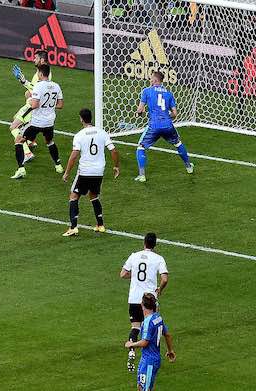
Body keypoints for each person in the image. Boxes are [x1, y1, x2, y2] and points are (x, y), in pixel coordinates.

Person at [61, 108, 120, 236]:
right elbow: (113, 150)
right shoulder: (102, 132)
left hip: (85, 171)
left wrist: (66, 172)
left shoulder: (80, 135)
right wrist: (116, 166)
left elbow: (74, 155)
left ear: (81, 119)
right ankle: (100, 225)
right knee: (94, 195)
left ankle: (73, 227)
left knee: (74, 196)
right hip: (98, 171)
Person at [120, 232, 169, 372]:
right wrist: (160, 289)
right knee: (153, 325)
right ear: (155, 244)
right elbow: (164, 279)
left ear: (144, 242)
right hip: (149, 299)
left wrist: (134, 276)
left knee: (135, 327)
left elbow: (123, 274)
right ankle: (150, 356)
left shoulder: (134, 256)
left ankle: (131, 349)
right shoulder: (158, 258)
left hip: (134, 298)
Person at [135, 71, 194, 182]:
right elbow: (175, 114)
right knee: (178, 143)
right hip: (168, 125)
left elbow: (139, 110)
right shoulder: (169, 93)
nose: (150, 80)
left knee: (140, 147)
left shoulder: (147, 91)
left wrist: (139, 113)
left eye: (151, 78)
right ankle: (188, 167)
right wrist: (166, 118)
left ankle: (142, 175)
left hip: (154, 125)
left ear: (155, 80)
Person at [10, 63, 64, 179]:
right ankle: (58, 165)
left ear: (40, 74)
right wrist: (48, 106)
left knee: (19, 140)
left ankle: (21, 169)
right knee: (49, 142)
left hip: (36, 122)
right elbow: (60, 105)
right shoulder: (56, 86)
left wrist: (24, 115)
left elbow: (34, 105)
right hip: (49, 122)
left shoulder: (39, 86)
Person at [124, 293, 176, 390]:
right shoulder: (158, 318)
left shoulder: (148, 322)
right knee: (140, 386)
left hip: (150, 360)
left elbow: (145, 342)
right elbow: (167, 335)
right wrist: (170, 350)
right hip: (146, 359)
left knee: (146, 389)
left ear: (142, 305)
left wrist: (131, 344)